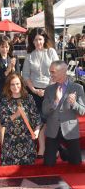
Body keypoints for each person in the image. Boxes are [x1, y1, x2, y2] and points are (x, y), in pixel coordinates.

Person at [22, 27, 59, 158]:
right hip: (34, 92)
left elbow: (56, 72)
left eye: (40, 39)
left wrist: (47, 90)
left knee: (50, 121)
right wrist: (34, 90)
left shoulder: (51, 52)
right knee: (39, 121)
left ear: (44, 39)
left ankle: (53, 148)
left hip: (51, 91)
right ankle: (42, 148)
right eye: (35, 40)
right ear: (31, 41)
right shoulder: (29, 56)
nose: (38, 42)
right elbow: (26, 76)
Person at [42, 60, 85, 166]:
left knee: (76, 163)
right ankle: (61, 149)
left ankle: (63, 151)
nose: (50, 74)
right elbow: (44, 111)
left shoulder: (78, 88)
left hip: (70, 130)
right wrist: (56, 101)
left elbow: (82, 111)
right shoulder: (49, 89)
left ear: (63, 72)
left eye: (53, 72)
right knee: (48, 164)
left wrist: (74, 103)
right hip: (53, 129)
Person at [0, 73, 42, 165]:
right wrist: (16, 114)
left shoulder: (29, 98)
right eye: (12, 84)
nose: (15, 86)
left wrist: (37, 131)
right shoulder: (5, 100)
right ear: (8, 86)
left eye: (17, 83)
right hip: (10, 140)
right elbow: (3, 121)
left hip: (27, 139)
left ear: (22, 84)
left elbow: (36, 117)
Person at [0, 35, 20, 106]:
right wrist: (7, 71)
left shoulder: (14, 58)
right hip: (0, 93)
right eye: (2, 47)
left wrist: (13, 69)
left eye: (7, 47)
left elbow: (19, 77)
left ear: (10, 47)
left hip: (13, 92)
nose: (4, 49)